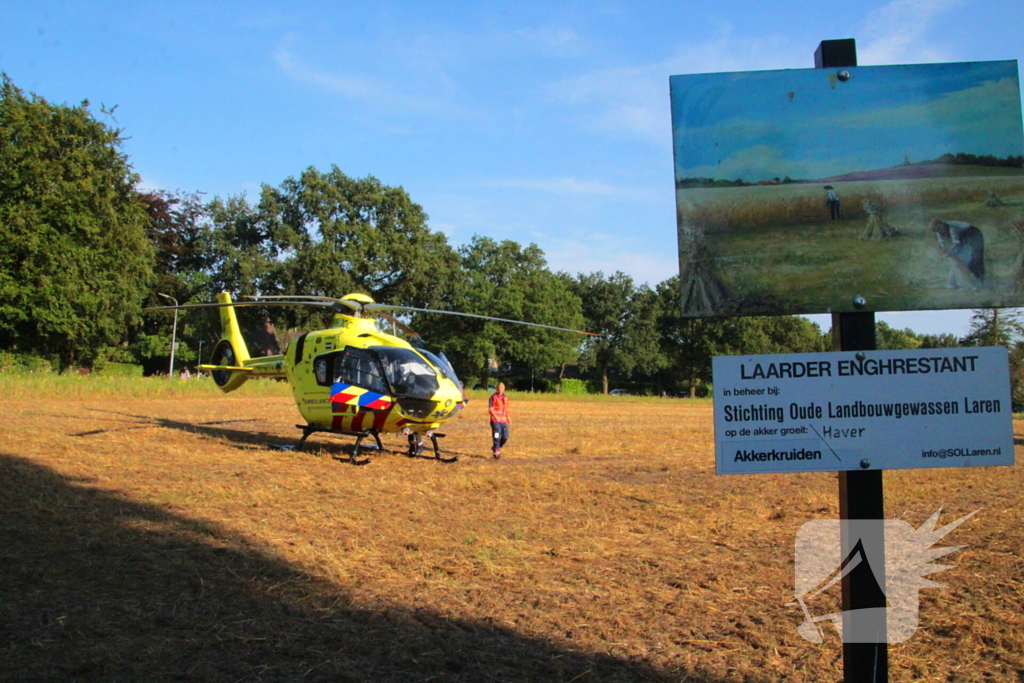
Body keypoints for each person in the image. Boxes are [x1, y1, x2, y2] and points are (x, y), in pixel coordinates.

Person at [930, 219, 985, 288]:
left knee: (975, 257)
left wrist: (948, 251)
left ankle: (980, 281)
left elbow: (956, 243)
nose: (939, 232)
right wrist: (944, 251)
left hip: (974, 234)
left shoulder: (952, 227)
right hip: (963, 236)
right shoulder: (939, 232)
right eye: (936, 231)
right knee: (956, 259)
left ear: (942, 224)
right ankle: (953, 283)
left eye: (939, 229)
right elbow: (942, 243)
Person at [488, 382, 510, 459]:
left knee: (505, 436)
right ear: (497, 389)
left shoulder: (506, 397)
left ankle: (498, 446)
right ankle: (496, 452)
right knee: (497, 435)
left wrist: (508, 417)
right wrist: (495, 416)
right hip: (495, 420)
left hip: (503, 421)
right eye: (499, 388)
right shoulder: (493, 397)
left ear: (504, 389)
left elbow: (507, 409)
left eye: (502, 388)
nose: (500, 389)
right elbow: (490, 409)